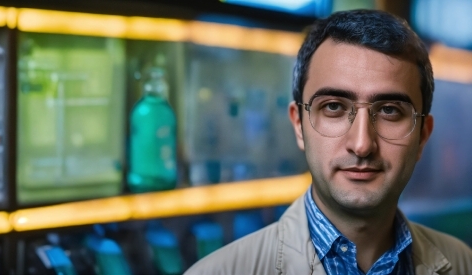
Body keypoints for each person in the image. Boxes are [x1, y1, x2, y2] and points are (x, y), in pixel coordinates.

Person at [184, 9, 472, 275]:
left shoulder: (462, 263)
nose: (361, 145)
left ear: (422, 135)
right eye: (334, 107)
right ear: (299, 124)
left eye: (389, 111)